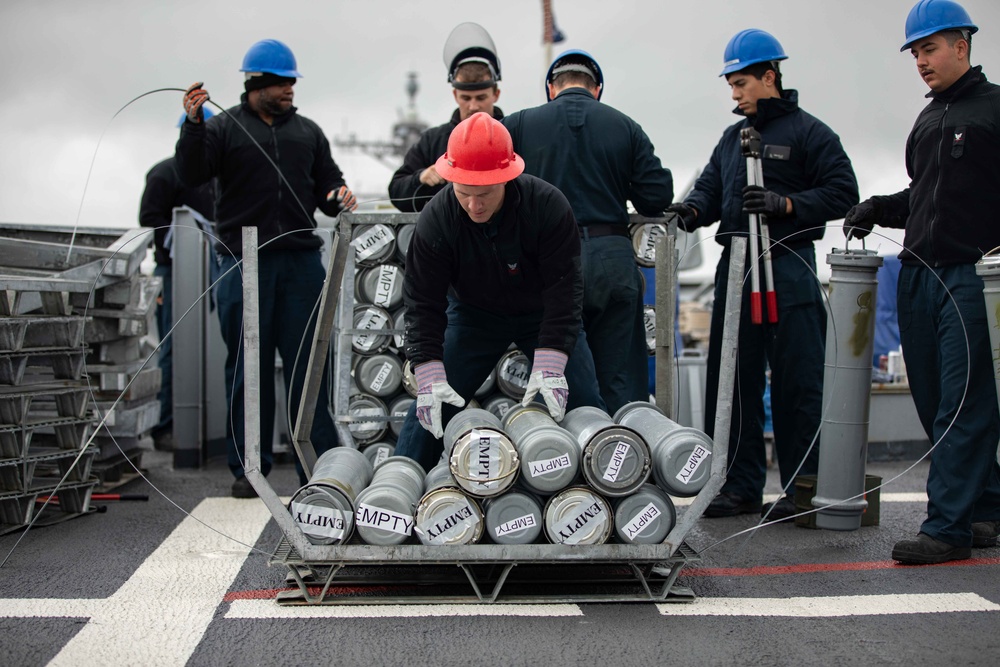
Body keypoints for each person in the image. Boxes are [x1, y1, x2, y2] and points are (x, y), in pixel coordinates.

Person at [669, 29, 859, 519]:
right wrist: (688, 213)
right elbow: (709, 191)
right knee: (731, 380)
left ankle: (803, 490)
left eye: (740, 82)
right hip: (736, 270)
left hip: (789, 264)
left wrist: (788, 203)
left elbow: (843, 191)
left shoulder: (809, 133)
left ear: (769, 76)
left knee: (799, 382)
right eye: (730, 84)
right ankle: (738, 486)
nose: (733, 93)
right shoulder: (732, 140)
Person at [844, 0, 1000, 564]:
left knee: (961, 402)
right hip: (917, 276)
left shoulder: (994, 109)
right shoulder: (928, 118)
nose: (920, 61)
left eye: (928, 49)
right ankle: (986, 507)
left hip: (968, 278)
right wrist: (879, 207)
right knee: (934, 397)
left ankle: (947, 528)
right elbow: (924, 199)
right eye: (914, 52)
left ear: (962, 44)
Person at [175, 39, 356, 498]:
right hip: (243, 261)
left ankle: (314, 467)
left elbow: (327, 188)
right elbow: (191, 173)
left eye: (292, 82)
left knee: (308, 365)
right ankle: (248, 468)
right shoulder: (224, 129)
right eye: (281, 83)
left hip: (300, 264)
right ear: (255, 85)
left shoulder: (309, 133)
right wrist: (194, 125)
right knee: (246, 367)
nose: (290, 89)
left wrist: (339, 197)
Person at [394, 112, 605, 471]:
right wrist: (427, 371)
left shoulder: (548, 206)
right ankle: (397, 493)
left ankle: (608, 488)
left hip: (542, 316)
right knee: (428, 411)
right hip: (474, 317)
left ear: (507, 177)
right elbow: (422, 302)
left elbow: (565, 290)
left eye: (486, 194)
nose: (475, 206)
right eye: (464, 194)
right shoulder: (436, 218)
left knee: (584, 401)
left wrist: (553, 359)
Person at [503, 49, 673, 414]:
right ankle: (625, 459)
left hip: (547, 261)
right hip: (612, 255)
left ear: (552, 88)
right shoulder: (625, 126)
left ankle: (564, 460)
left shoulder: (518, 125)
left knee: (557, 376)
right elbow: (656, 196)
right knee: (621, 381)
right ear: (597, 89)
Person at [139, 113, 216, 453]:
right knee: (174, 347)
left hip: (214, 271)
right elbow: (150, 217)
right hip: (174, 274)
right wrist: (183, 236)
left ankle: (210, 423)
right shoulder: (165, 172)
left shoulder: (216, 177)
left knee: (216, 349)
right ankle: (167, 426)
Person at [388, 22, 504, 212]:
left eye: (481, 98)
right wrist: (420, 177)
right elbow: (396, 191)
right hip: (446, 239)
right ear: (455, 96)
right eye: (466, 98)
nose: (473, 106)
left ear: (495, 94)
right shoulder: (432, 140)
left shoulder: (515, 134)